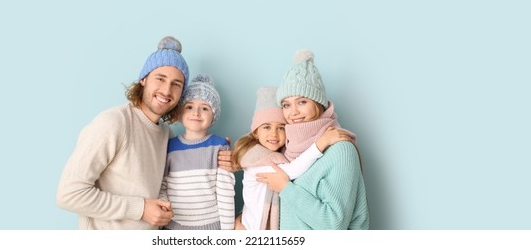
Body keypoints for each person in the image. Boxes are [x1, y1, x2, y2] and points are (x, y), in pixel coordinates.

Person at [56, 36, 232, 229]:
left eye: (176, 84)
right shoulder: (114, 123)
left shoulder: (167, 136)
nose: (166, 90)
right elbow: (69, 194)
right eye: (160, 78)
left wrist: (228, 157)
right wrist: (140, 209)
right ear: (143, 79)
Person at [257, 49, 369, 230]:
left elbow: (334, 224)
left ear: (318, 103)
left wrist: (286, 188)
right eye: (286, 105)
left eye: (302, 102)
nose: (293, 112)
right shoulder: (287, 151)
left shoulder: (340, 150)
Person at [233, 86, 353, 230]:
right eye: (266, 127)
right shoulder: (258, 158)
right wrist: (319, 144)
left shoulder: (284, 153)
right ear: (255, 133)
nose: (274, 134)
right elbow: (291, 170)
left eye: (281, 128)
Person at [158, 74, 235, 230]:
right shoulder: (169, 146)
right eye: (189, 106)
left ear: (214, 115)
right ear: (179, 112)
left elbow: (225, 193)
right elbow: (162, 186)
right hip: (174, 228)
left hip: (211, 229)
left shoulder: (219, 146)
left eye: (205, 108)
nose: (196, 113)